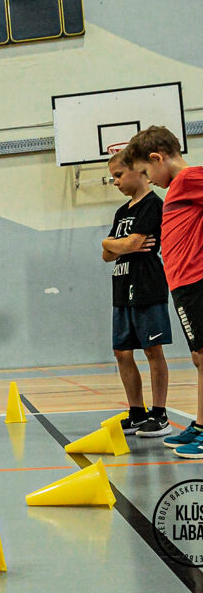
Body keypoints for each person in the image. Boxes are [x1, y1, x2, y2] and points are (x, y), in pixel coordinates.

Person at [124, 126, 203, 458]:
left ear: (157, 158)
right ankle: (200, 425)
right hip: (184, 285)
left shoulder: (187, 179)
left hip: (197, 281)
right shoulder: (179, 189)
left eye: (145, 171)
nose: (148, 179)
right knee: (199, 357)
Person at [101, 150, 172, 437]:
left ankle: (160, 413)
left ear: (139, 171)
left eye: (118, 175)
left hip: (146, 285)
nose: (115, 182)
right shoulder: (122, 212)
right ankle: (137, 412)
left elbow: (135, 242)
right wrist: (115, 243)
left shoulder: (153, 205)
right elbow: (107, 253)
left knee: (152, 349)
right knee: (121, 352)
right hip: (121, 286)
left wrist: (119, 243)